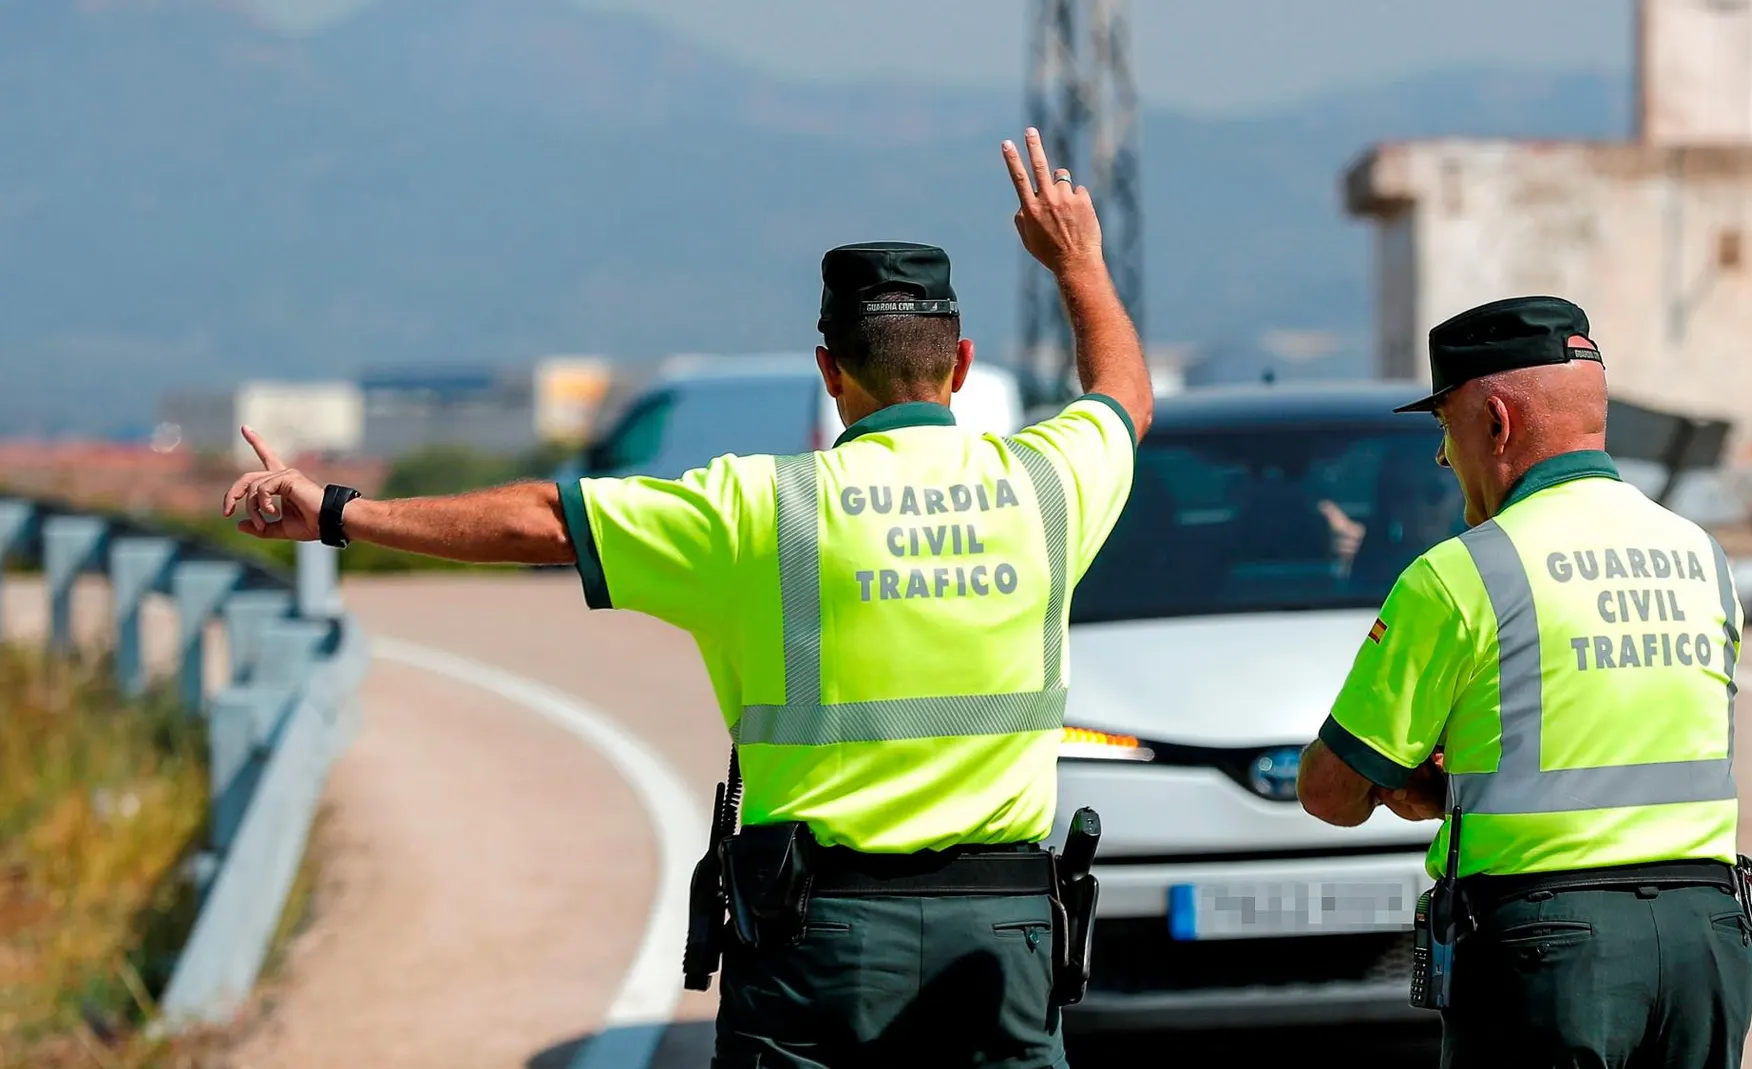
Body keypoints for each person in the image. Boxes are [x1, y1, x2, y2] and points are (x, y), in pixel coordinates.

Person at [220, 128, 1151, 1069]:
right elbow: (1123, 397)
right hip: (1001, 937)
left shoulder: (757, 507)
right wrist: (1078, 260)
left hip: (817, 939)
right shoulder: (1046, 486)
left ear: (829, 372)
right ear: (960, 366)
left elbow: (545, 519)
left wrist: (339, 511)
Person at [1294, 296, 1752, 1069]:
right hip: (1706, 940)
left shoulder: (1464, 572)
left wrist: (1423, 788)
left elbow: (1331, 791)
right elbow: (1624, 733)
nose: (1447, 462)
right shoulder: (1702, 557)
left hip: (1551, 949)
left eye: (1446, 432)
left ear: (1497, 423)